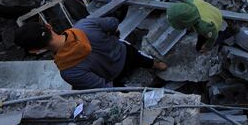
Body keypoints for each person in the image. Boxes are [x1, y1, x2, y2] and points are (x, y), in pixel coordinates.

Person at [14, 16, 167, 90]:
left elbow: (103, 87)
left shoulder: (68, 71)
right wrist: (113, 32)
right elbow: (113, 22)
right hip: (127, 54)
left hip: (115, 77)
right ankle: (160, 66)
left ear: (35, 51)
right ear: (48, 26)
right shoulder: (84, 25)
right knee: (141, 58)